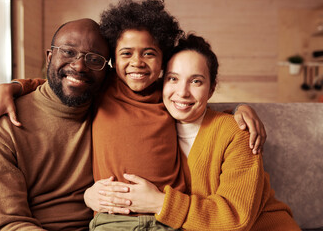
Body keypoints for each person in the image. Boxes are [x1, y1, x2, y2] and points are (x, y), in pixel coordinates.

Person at [0, 0, 267, 230]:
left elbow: (195, 108)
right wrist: (9, 87)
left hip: (166, 219)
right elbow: (64, 83)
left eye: (149, 53)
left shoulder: (164, 93)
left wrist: (239, 110)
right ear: (113, 61)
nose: (137, 62)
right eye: (126, 54)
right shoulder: (105, 88)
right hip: (110, 220)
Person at [89, 34, 301, 230]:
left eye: (196, 81)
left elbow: (236, 218)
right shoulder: (158, 122)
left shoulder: (238, 132)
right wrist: (89, 196)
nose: (182, 92)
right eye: (173, 78)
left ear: (211, 88)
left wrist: (158, 202)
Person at [0, 18, 110, 231]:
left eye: (94, 59)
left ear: (106, 71)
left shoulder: (111, 109)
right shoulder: (1, 124)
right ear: (49, 57)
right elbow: (8, 222)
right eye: (68, 52)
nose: (80, 66)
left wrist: (14, 86)